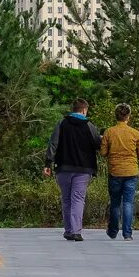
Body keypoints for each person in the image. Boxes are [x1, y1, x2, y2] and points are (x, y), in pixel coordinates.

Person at [44, 98, 101, 242]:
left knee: (66, 198)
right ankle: (76, 231)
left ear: (73, 109)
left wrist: (47, 164)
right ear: (84, 110)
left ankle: (68, 230)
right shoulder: (89, 126)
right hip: (83, 168)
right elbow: (97, 143)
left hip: (63, 167)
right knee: (78, 199)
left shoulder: (62, 123)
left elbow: (53, 144)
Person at [100, 103, 139, 240]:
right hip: (131, 172)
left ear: (116, 116)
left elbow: (103, 152)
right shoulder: (135, 133)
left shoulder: (109, 132)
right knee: (128, 202)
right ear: (128, 117)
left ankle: (113, 231)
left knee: (115, 202)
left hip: (115, 171)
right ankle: (127, 234)